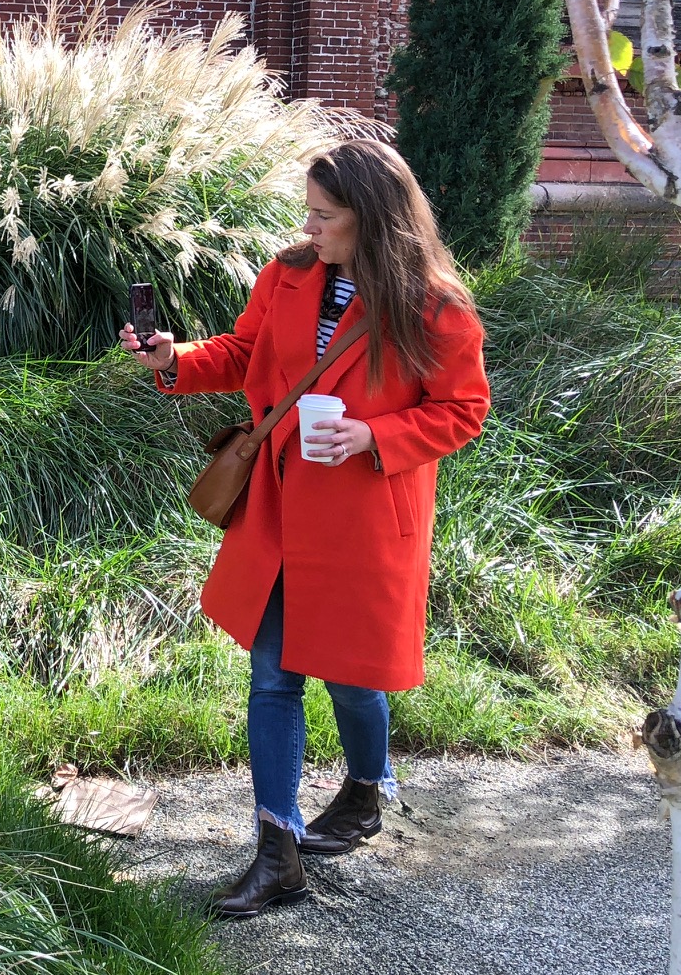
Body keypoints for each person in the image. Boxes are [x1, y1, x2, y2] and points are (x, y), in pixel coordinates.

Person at [118, 137, 489, 919]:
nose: (309, 227)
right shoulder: (288, 275)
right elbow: (245, 352)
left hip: (366, 517)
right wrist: (172, 358)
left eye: (325, 215)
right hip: (281, 509)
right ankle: (277, 849)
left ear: (373, 219)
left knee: (354, 675)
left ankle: (362, 789)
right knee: (274, 676)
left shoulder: (436, 304)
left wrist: (377, 439)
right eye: (309, 213)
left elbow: (464, 410)